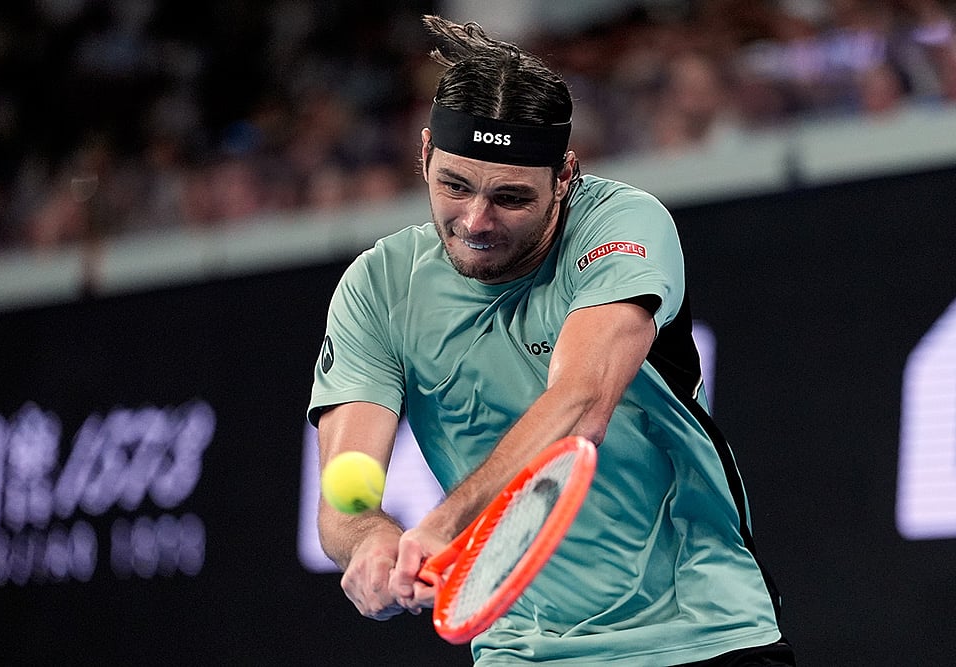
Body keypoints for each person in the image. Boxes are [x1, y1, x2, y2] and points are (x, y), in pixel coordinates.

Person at [308, 15, 795, 666]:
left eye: (510, 197)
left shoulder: (622, 224)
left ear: (565, 176)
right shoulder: (377, 286)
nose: (476, 220)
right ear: (424, 153)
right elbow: (344, 505)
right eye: (454, 185)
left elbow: (580, 405)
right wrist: (371, 541)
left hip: (703, 633)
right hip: (523, 650)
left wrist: (443, 526)